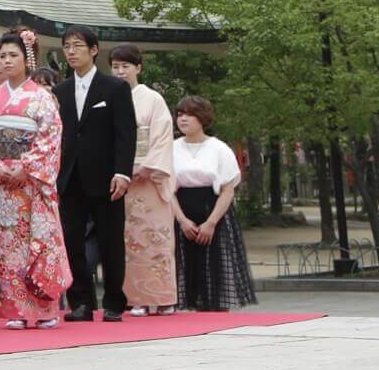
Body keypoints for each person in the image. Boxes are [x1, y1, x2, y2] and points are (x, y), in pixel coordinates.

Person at [0, 31, 69, 330]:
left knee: (37, 242)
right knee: (7, 245)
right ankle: (14, 307)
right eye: (2, 56)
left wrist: (25, 168)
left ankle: (44, 308)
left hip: (31, 184)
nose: (5, 61)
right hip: (3, 182)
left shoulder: (41, 99)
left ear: (27, 59)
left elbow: (50, 138)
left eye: (12, 55)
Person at [57, 24, 136, 322]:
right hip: (70, 176)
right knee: (72, 239)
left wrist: (122, 172)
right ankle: (81, 302)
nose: (72, 51)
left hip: (106, 176)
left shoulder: (114, 88)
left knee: (110, 239)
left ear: (93, 50)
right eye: (67, 46)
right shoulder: (60, 91)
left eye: (78, 45)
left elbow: (125, 134)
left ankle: (114, 301)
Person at [109, 44, 177, 315]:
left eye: (126, 66)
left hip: (148, 179)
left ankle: (162, 297)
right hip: (120, 178)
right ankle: (135, 297)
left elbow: (161, 138)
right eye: (115, 66)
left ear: (138, 68)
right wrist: (119, 169)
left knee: (155, 238)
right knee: (127, 240)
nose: (120, 71)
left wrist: (146, 168)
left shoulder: (152, 99)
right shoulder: (111, 96)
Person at [171, 97, 257, 312]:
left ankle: (213, 308)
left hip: (212, 207)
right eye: (180, 115)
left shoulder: (219, 148)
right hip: (180, 208)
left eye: (189, 114)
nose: (183, 119)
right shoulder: (170, 148)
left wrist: (211, 222)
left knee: (213, 262)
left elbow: (228, 189)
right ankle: (185, 305)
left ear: (202, 118)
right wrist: (181, 219)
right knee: (183, 261)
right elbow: (167, 187)